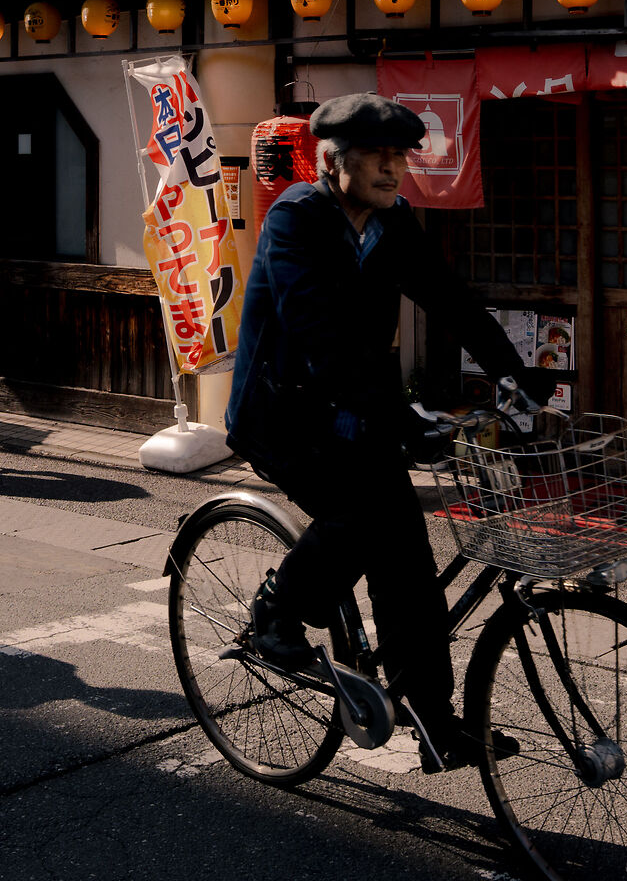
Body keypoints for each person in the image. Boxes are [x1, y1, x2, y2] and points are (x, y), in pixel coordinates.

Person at [225, 93, 554, 773]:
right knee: (359, 516)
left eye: (399, 156)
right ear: (332, 161)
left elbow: (450, 300)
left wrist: (515, 375)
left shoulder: (392, 222)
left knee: (409, 566)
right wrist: (398, 415)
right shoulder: (295, 219)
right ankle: (277, 610)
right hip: (283, 414)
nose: (392, 169)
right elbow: (319, 336)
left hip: (358, 412)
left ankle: (436, 723)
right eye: (376, 155)